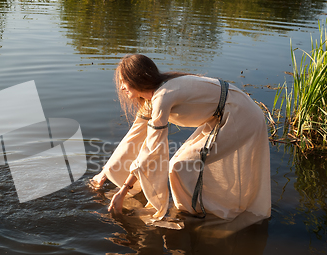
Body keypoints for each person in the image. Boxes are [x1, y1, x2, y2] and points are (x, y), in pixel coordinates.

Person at [91, 54, 271, 221]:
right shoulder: (152, 99)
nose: (121, 87)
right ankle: (190, 211)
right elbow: (134, 136)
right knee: (180, 165)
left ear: (136, 79)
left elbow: (152, 151)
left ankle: (194, 216)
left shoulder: (163, 97)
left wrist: (123, 191)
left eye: (124, 82)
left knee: (179, 166)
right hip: (222, 115)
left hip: (240, 115)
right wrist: (105, 172)